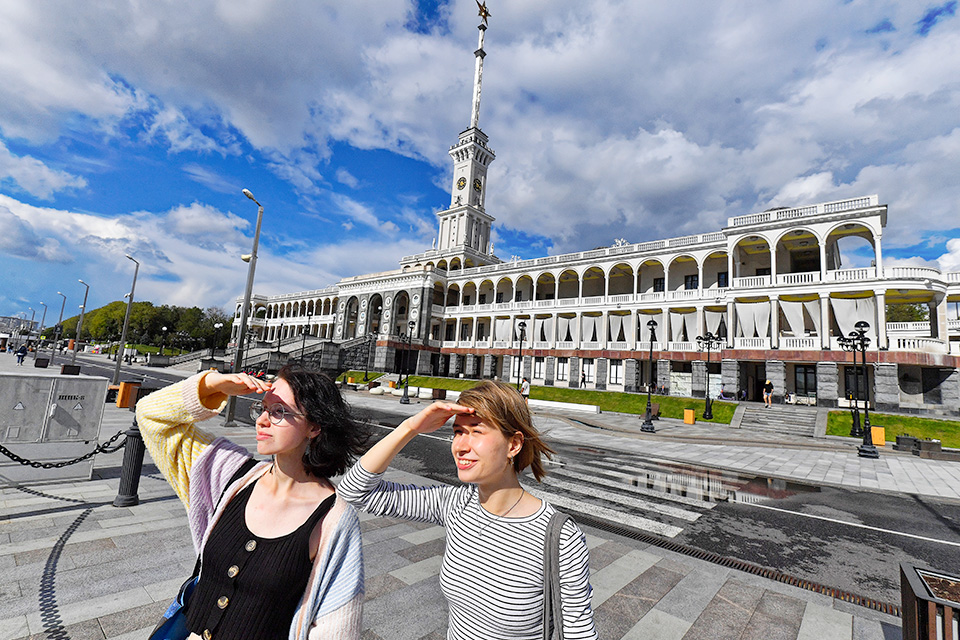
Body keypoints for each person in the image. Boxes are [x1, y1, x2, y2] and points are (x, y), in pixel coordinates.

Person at [338, 380, 598, 640]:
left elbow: (579, 634)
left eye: (476, 431)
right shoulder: (455, 504)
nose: (460, 446)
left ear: (514, 445)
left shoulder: (560, 537)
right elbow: (354, 492)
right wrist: (410, 427)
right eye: (458, 432)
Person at [136, 363, 367, 640]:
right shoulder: (230, 473)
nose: (262, 420)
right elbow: (150, 416)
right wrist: (213, 385)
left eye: (279, 411)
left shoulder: (333, 518)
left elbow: (336, 626)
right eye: (263, 408)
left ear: (314, 427)